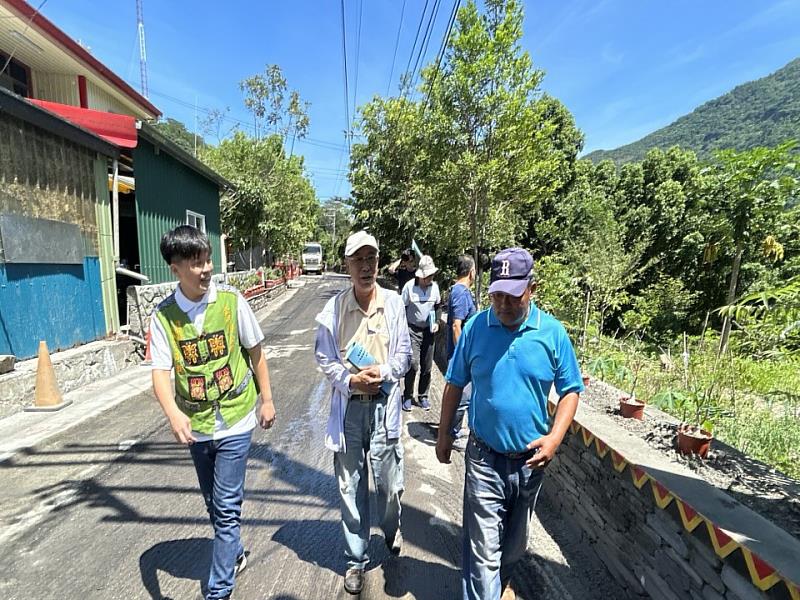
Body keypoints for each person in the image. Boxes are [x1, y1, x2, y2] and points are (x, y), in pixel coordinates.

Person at [435, 248, 583, 600]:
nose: (502, 304)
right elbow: (454, 384)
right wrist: (444, 435)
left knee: (514, 545)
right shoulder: (475, 328)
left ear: (531, 288)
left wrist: (554, 440)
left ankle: (501, 583)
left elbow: (570, 391)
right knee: (482, 552)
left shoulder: (552, 334)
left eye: (512, 296)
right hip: (484, 458)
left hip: (530, 464)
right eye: (497, 295)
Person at [149, 225, 276, 600]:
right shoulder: (164, 316)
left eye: (207, 261)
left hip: (236, 418)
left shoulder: (232, 301)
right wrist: (173, 413)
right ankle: (234, 551)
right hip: (198, 425)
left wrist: (266, 399)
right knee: (213, 504)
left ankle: (218, 591)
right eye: (196, 263)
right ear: (175, 268)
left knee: (226, 506)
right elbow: (159, 373)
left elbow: (256, 353)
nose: (205, 270)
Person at [314, 230, 412, 595]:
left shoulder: (394, 303)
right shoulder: (333, 310)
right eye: (359, 260)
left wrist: (382, 373)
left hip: (385, 407)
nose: (367, 266)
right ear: (348, 266)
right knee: (350, 487)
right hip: (350, 411)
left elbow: (404, 354)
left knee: (389, 486)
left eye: (371, 259)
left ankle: (390, 528)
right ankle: (355, 558)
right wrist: (351, 382)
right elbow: (324, 358)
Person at [446, 254, 477, 449]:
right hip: (461, 356)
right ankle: (453, 434)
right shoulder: (461, 292)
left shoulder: (458, 291)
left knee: (464, 396)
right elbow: (456, 326)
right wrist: (462, 356)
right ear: (471, 272)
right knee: (462, 398)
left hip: (461, 354)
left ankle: (454, 429)